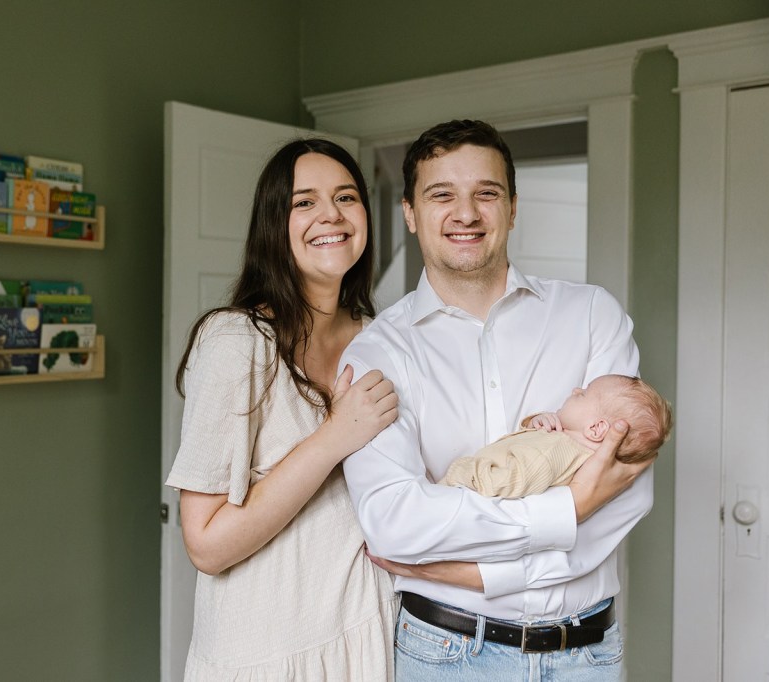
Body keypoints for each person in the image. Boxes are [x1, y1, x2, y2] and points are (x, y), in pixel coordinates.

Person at [339, 119, 656, 680]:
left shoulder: (590, 316)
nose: (466, 214)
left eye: (486, 193)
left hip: (587, 655)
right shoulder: (377, 354)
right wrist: (567, 509)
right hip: (446, 655)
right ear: (410, 213)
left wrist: (471, 573)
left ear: (512, 207)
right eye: (442, 195)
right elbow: (393, 522)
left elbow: (627, 490)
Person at [165, 138, 400, 680]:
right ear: (274, 223)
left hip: (374, 634)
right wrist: (335, 436)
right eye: (304, 202)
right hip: (268, 652)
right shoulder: (236, 341)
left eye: (346, 197)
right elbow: (206, 544)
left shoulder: (382, 340)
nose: (331, 215)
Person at [442, 374, 673, 497]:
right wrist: (536, 424)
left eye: (584, 394)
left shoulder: (553, 452)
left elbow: (504, 483)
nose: (575, 390)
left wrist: (460, 470)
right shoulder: (562, 445)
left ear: (595, 429)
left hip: (461, 489)